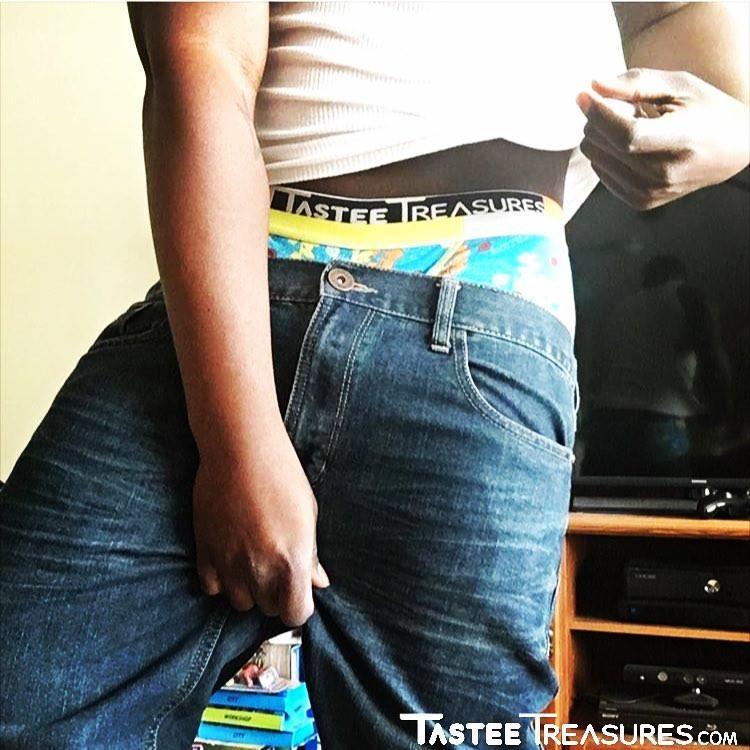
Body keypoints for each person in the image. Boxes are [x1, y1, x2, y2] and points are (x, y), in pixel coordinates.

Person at [1, 3, 748, 749]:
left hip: (476, 309)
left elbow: (681, 18)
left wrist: (736, 132)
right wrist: (238, 447)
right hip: (226, 302)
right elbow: (199, 63)